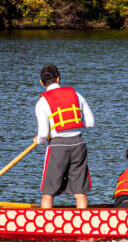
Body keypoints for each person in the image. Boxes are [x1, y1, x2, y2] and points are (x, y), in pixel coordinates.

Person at [33, 64, 95, 209]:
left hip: (58, 146)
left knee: (48, 192)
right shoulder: (77, 95)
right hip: (79, 144)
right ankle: (83, 224)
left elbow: (43, 134)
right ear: (59, 79)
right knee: (79, 191)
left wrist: (38, 140)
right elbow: (91, 123)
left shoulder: (42, 102)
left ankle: (45, 225)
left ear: (42, 82)